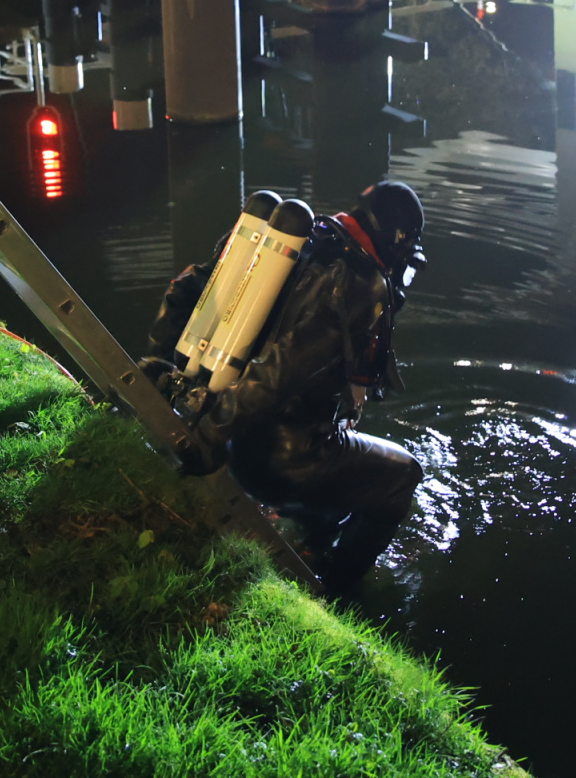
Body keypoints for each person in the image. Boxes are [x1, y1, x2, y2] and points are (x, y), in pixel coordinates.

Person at [145, 181, 427, 595]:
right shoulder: (360, 281)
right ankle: (336, 594)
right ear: (396, 240)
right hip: (276, 459)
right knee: (404, 474)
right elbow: (281, 370)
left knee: (346, 463)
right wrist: (208, 438)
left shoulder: (299, 242)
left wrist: (158, 369)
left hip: (220, 419)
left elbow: (186, 288)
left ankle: (315, 540)